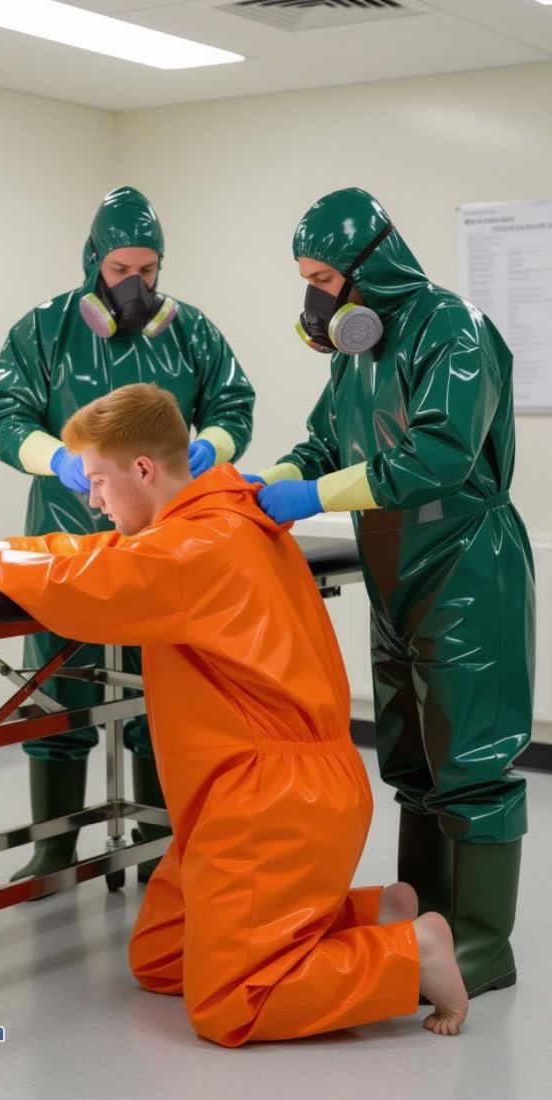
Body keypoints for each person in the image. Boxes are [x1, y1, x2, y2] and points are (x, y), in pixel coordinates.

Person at [0, 383, 468, 1046]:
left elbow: (88, 589)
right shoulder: (204, 521)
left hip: (271, 800)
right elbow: (103, 554)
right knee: (161, 959)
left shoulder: (195, 548)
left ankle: (409, 954)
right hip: (242, 790)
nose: (92, 499)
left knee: (233, 1005)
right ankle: (373, 914)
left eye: (98, 481)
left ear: (143, 469)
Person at [249, 186, 535, 1000]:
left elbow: (438, 457)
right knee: (411, 756)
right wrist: (268, 479)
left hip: (466, 564)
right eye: (306, 281)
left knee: (470, 760)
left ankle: (483, 942)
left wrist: (311, 497)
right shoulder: (356, 351)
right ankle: (428, 920)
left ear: (370, 266)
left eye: (323, 279)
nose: (315, 301)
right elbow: (321, 441)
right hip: (393, 566)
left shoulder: (454, 329)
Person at [0, 185, 255, 884]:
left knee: (160, 693)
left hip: (163, 538)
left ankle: (156, 842)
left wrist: (213, 446)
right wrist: (58, 460)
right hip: (67, 531)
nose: (136, 285)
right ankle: (54, 848)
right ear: (92, 261)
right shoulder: (44, 330)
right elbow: (3, 414)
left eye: (148, 270)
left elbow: (233, 404)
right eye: (120, 270)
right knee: (56, 691)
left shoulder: (190, 332)